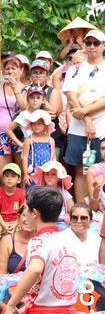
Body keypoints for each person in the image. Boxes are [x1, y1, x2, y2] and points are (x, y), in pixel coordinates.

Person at [3, 186, 81, 314]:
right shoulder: (68, 239)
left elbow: (35, 268)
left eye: (26, 209)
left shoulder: (39, 241)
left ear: (35, 213)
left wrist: (11, 304)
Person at [64, 30, 105, 201]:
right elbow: (71, 97)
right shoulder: (74, 70)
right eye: (88, 43)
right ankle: (82, 210)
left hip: (102, 127)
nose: (92, 47)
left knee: (102, 168)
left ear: (103, 46)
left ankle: (100, 211)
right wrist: (87, 121)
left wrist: (85, 111)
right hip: (79, 128)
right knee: (81, 170)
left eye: (96, 43)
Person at [0, 54, 29, 176]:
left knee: (22, 173)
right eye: (7, 68)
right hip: (0, 135)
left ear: (21, 71)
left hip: (20, 134)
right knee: (2, 174)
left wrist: (16, 87)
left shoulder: (27, 88)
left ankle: (22, 195)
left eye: (14, 68)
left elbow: (25, 108)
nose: (10, 71)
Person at [0, 204, 34, 275]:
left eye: (32, 216)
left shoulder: (43, 241)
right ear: (18, 218)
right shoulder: (7, 241)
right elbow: (0, 276)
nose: (28, 220)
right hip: (13, 285)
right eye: (25, 216)